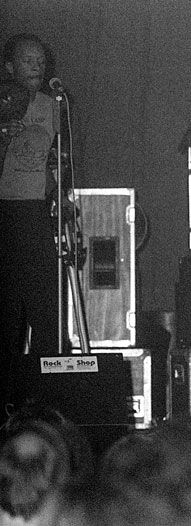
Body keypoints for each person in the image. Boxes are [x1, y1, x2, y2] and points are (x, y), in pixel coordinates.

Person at [0, 33, 72, 356]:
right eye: (29, 60)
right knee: (8, 310)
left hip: (36, 213)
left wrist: (60, 191)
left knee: (47, 305)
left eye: (41, 61)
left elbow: (57, 160)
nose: (37, 67)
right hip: (5, 212)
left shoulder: (50, 105)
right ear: (10, 66)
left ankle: (45, 392)